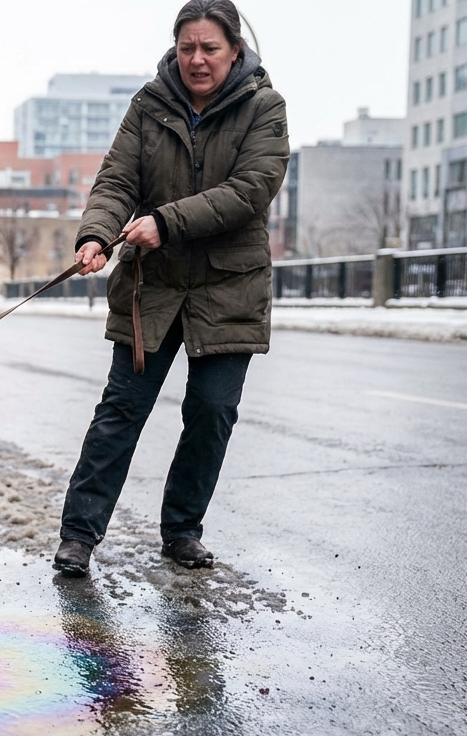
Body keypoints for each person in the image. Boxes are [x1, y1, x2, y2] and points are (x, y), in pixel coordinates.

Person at [53, 0, 289, 575]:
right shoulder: (149, 105)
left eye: (210, 48)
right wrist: (98, 233)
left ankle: (182, 530)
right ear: (174, 49)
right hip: (151, 288)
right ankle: (78, 536)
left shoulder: (265, 107)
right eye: (187, 48)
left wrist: (166, 222)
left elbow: (251, 189)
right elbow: (116, 180)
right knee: (120, 411)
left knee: (211, 412)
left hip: (228, 288)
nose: (197, 59)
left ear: (235, 49)